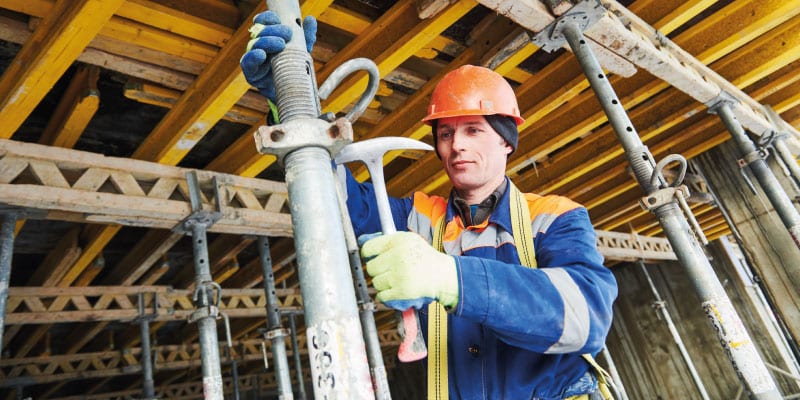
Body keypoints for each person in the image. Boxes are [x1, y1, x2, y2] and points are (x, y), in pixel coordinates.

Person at [242, 11, 618, 400]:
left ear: (507, 140)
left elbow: (586, 316)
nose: (456, 145)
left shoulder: (554, 217)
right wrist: (291, 106)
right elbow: (335, 204)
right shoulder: (415, 219)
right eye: (446, 134)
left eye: (474, 130)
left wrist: (450, 278)